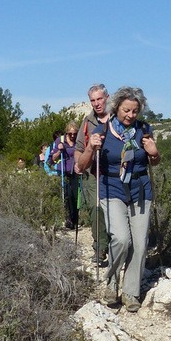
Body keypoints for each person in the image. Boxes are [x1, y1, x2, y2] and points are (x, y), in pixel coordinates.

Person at [76, 86, 161, 312]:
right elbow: (82, 165)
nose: (130, 115)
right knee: (122, 239)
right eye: (126, 110)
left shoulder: (144, 130)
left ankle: (131, 292)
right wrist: (90, 148)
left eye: (135, 111)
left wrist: (154, 152)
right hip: (111, 188)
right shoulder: (102, 132)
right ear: (117, 107)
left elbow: (154, 161)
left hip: (140, 190)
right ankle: (111, 284)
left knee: (141, 244)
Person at [75, 84, 111, 265]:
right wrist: (78, 162)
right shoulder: (87, 122)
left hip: (114, 174)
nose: (96, 103)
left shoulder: (118, 118)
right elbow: (79, 148)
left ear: (107, 97)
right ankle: (100, 248)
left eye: (99, 99)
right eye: (93, 100)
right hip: (93, 173)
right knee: (95, 210)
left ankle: (117, 246)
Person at [51, 121, 81, 229]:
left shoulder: (79, 140)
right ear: (66, 132)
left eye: (75, 133)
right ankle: (68, 219)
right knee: (66, 195)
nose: (73, 136)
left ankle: (75, 218)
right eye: (70, 133)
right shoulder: (60, 140)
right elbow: (53, 158)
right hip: (64, 171)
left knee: (75, 196)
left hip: (76, 171)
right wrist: (59, 150)